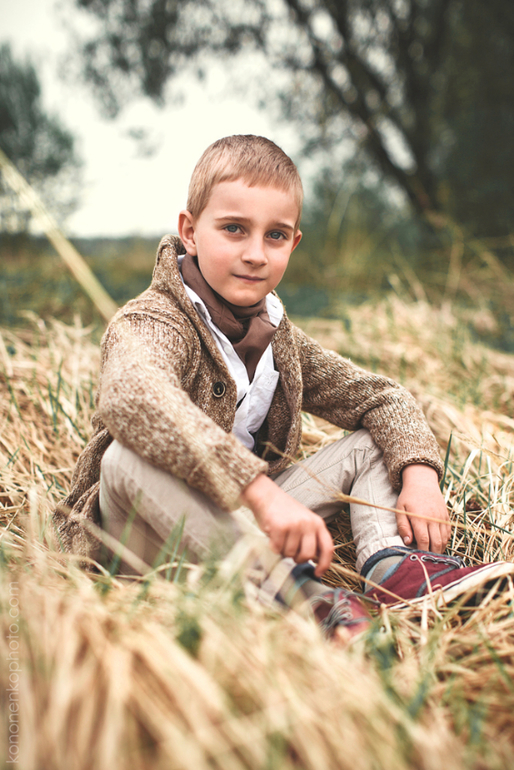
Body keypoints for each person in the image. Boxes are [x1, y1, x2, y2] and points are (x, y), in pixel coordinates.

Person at [54, 135, 514, 641]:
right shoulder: (153, 320)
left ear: (292, 244)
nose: (255, 254)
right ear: (189, 231)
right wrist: (260, 493)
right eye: (233, 229)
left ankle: (396, 570)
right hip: (141, 541)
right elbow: (135, 400)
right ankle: (304, 600)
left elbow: (381, 396)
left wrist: (420, 474)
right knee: (124, 459)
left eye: (274, 235)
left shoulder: (275, 332)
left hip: (239, 524)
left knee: (371, 444)